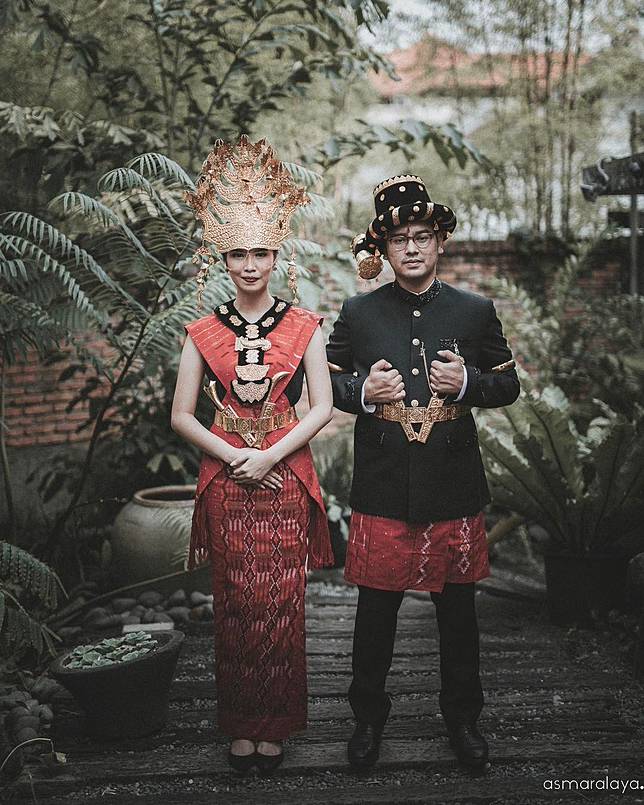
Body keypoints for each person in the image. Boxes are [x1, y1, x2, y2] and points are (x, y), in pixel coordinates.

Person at [326, 175, 520, 772]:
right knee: (374, 615)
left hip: (453, 485)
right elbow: (323, 382)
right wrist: (363, 391)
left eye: (422, 236)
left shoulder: (474, 310)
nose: (411, 248)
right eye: (399, 239)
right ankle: (367, 720)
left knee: (458, 616)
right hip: (383, 483)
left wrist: (467, 384)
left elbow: (508, 384)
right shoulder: (358, 313)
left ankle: (463, 720)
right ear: (383, 249)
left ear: (440, 241)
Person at [171, 135, 334, 776]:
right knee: (236, 602)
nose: (248, 264)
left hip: (284, 477)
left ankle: (277, 727)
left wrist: (269, 456)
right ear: (223, 257)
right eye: (237, 252)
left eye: (259, 252)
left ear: (275, 255)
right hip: (229, 481)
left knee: (282, 602)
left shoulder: (305, 325)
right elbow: (182, 415)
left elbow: (321, 407)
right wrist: (238, 456)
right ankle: (242, 725)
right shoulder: (202, 330)